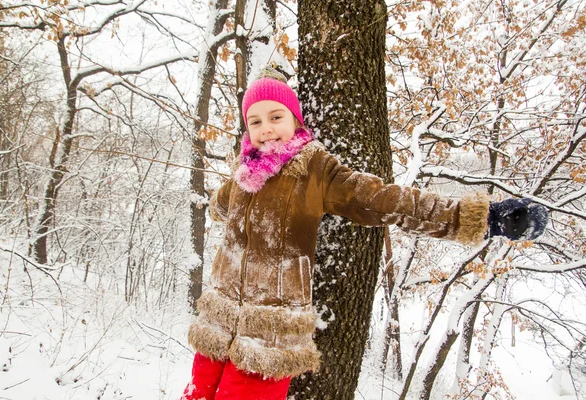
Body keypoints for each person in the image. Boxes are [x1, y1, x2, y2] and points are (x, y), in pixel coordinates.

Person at [181, 67, 548, 400]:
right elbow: (221, 206)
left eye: (276, 117)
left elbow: (386, 200)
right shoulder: (245, 173)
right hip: (218, 320)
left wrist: (480, 218)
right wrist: (218, 197)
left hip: (270, 331)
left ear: (295, 120)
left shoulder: (315, 170)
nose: (266, 129)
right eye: (255, 121)